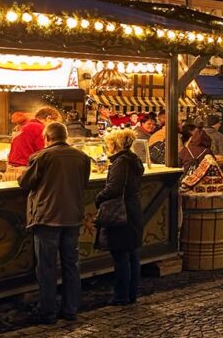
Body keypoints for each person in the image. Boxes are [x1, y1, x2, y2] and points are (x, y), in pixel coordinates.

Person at [18, 121, 92, 324]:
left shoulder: (42, 157)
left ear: (47, 138)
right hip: (73, 217)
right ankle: (70, 309)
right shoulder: (83, 157)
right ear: (65, 136)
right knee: (71, 265)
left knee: (47, 267)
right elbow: (84, 183)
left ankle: (47, 312)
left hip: (47, 218)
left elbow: (25, 182)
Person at [96, 128, 144, 305]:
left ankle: (121, 295)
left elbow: (114, 188)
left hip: (121, 212)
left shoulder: (121, 162)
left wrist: (99, 198)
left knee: (121, 255)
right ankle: (131, 294)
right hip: (132, 210)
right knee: (131, 253)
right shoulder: (133, 160)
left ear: (114, 144)